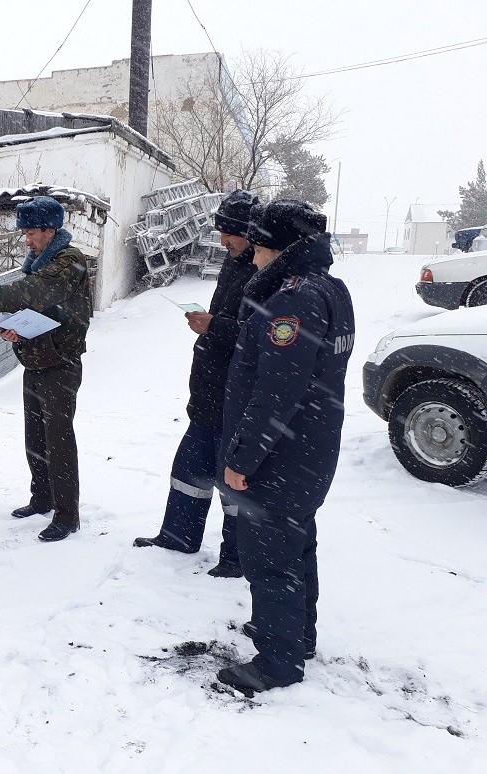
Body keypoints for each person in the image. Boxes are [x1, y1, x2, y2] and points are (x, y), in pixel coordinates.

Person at [215, 199, 355, 694]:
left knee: (270, 555)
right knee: (297, 545)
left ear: (280, 247)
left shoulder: (291, 301)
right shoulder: (332, 288)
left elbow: (277, 392)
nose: (251, 255)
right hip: (311, 446)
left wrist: (242, 459)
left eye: (260, 245)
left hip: (282, 454)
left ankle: (277, 661)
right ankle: (297, 635)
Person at [133, 190, 259, 577]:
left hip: (235, 396)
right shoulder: (235, 264)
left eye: (229, 234)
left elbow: (260, 337)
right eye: (221, 232)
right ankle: (178, 536)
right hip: (207, 392)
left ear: (251, 232)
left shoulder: (265, 271)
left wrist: (214, 327)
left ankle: (237, 558)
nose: (223, 242)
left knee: (233, 483)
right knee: (189, 469)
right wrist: (211, 324)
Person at [0, 196, 91, 542]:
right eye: (25, 233)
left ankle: (67, 515)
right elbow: (37, 309)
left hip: (61, 364)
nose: (27, 240)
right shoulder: (38, 261)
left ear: (50, 230)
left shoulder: (69, 261)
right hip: (36, 361)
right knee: (35, 438)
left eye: (30, 232)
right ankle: (42, 498)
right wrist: (9, 326)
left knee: (58, 441)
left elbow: (38, 292)